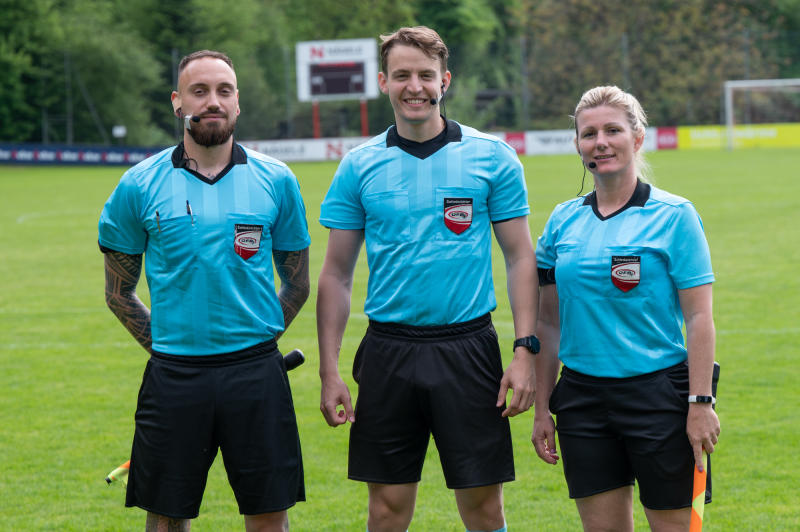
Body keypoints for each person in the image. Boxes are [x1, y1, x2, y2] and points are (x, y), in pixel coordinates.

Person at [317, 26, 538, 532]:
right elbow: (336, 275)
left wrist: (524, 351)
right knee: (387, 508)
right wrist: (330, 370)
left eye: (425, 75)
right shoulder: (358, 165)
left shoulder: (492, 156)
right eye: (401, 75)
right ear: (383, 82)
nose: (414, 86)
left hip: (468, 348)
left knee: (483, 507)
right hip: (388, 351)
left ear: (445, 80)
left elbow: (520, 258)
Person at [98, 50, 310, 532]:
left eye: (223, 90)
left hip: (257, 376)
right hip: (174, 377)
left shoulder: (277, 180)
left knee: (269, 516)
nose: (212, 101)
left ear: (237, 102)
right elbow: (118, 293)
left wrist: (256, 344)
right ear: (178, 102)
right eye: (199, 91)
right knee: (166, 519)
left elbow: (297, 283)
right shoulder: (138, 185)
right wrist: (172, 347)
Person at [532, 85, 721, 531]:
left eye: (612, 130)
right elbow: (548, 322)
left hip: (659, 396)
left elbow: (699, 318)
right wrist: (542, 407)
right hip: (582, 400)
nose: (600, 142)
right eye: (589, 133)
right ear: (578, 145)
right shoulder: (562, 221)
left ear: (637, 138)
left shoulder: (675, 215)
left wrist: (700, 403)